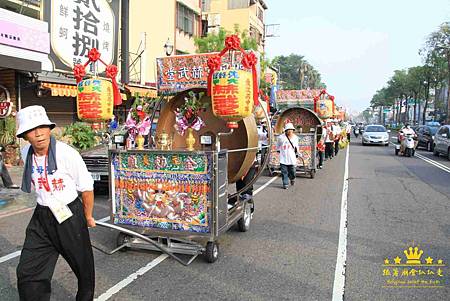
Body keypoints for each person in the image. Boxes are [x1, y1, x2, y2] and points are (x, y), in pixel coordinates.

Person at [15, 105, 96, 301]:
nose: (38, 133)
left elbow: (86, 187)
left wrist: (87, 216)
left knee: (83, 266)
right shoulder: (26, 153)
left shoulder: (66, 154)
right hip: (42, 216)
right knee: (28, 270)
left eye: (42, 127)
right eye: (32, 130)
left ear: (49, 128)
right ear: (25, 135)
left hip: (69, 215)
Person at [276, 123, 299, 189]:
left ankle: (292, 178)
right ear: (285, 130)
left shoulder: (295, 137)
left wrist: (297, 153)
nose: (290, 131)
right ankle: (285, 183)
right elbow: (278, 145)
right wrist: (278, 150)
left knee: (292, 171)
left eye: (291, 130)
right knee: (284, 172)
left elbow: (296, 147)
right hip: (283, 158)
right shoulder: (281, 137)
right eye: (288, 130)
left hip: (292, 158)